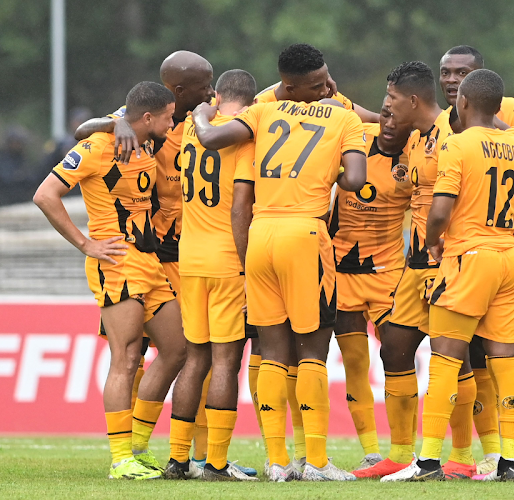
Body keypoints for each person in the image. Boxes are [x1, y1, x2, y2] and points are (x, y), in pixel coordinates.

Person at [196, 43, 367, 482]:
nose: (327, 85)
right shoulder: (345, 118)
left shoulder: (262, 113)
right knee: (312, 351)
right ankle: (315, 461)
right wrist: (329, 169)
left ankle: (276, 461)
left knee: (271, 352)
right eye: (320, 81)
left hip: (260, 237)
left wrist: (201, 113)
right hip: (305, 235)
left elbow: (211, 137)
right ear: (297, 85)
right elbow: (355, 179)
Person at [74, 51, 241, 472]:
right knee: (131, 357)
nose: (212, 92)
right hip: (145, 253)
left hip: (185, 255)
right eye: (205, 85)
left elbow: (250, 102)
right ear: (178, 91)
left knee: (189, 354)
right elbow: (84, 130)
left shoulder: (205, 119)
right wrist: (120, 122)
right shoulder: (146, 119)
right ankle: (124, 453)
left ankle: (192, 454)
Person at [382, 69, 514, 482]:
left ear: (464, 103)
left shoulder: (457, 144)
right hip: (510, 259)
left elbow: (439, 211)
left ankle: (429, 461)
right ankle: (510, 463)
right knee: (505, 358)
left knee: (445, 356)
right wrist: (500, 232)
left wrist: (435, 240)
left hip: (467, 257)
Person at [33, 81, 185, 480]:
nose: (173, 123)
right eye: (168, 117)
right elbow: (45, 195)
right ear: (149, 117)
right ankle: (121, 459)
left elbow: (119, 115)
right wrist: (85, 243)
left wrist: (117, 121)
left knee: (177, 348)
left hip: (149, 261)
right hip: (115, 262)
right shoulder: (97, 147)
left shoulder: (144, 138)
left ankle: (136, 447)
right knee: (127, 357)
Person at [439, 44, 514, 478]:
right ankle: (500, 452)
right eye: (446, 72)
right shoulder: (444, 124)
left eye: (461, 73)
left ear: (479, 78)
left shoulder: (512, 113)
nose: (451, 80)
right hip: (466, 254)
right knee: (481, 357)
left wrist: (488, 126)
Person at [355, 61, 458, 480]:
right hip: (415, 263)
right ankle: (400, 452)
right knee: (394, 346)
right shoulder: (417, 137)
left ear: (413, 100)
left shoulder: (453, 134)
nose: (387, 107)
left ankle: (462, 457)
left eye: (393, 99)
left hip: (447, 259)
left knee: (454, 358)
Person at [163, 69, 259, 482]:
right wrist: (245, 264)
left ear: (217, 95)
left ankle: (178, 459)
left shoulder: (190, 127)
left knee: (195, 360)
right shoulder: (245, 138)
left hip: (190, 260)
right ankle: (216, 463)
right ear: (252, 105)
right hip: (226, 261)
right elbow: (240, 207)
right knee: (225, 362)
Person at [328, 100, 413, 470]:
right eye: (385, 114)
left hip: (389, 274)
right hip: (341, 270)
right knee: (355, 362)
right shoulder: (356, 137)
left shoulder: (418, 155)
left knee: (395, 353)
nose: (389, 123)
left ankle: (404, 450)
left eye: (397, 117)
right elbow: (330, 103)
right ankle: (371, 450)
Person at [0, 127, 38, 206]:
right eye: (17, 142)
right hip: (4, 202)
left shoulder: (22, 159)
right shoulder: (0, 159)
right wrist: (19, 177)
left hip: (22, 202)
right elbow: (3, 179)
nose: (19, 145)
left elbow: (31, 178)